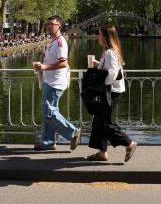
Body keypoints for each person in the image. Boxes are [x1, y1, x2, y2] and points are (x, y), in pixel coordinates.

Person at [86, 24, 137, 163]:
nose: (98, 36)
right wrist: (98, 64)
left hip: (110, 92)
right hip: (112, 91)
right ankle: (102, 153)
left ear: (105, 37)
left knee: (104, 122)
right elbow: (109, 69)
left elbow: (112, 73)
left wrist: (103, 85)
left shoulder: (110, 53)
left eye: (100, 34)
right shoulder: (110, 52)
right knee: (99, 120)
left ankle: (129, 143)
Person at [32, 15, 81, 151]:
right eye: (47, 24)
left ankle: (73, 132)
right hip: (50, 80)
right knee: (50, 111)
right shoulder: (52, 41)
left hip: (55, 82)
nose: (48, 26)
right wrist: (43, 59)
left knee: (49, 112)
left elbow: (64, 63)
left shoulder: (60, 42)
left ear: (59, 26)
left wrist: (44, 67)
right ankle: (48, 141)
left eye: (52, 24)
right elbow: (52, 59)